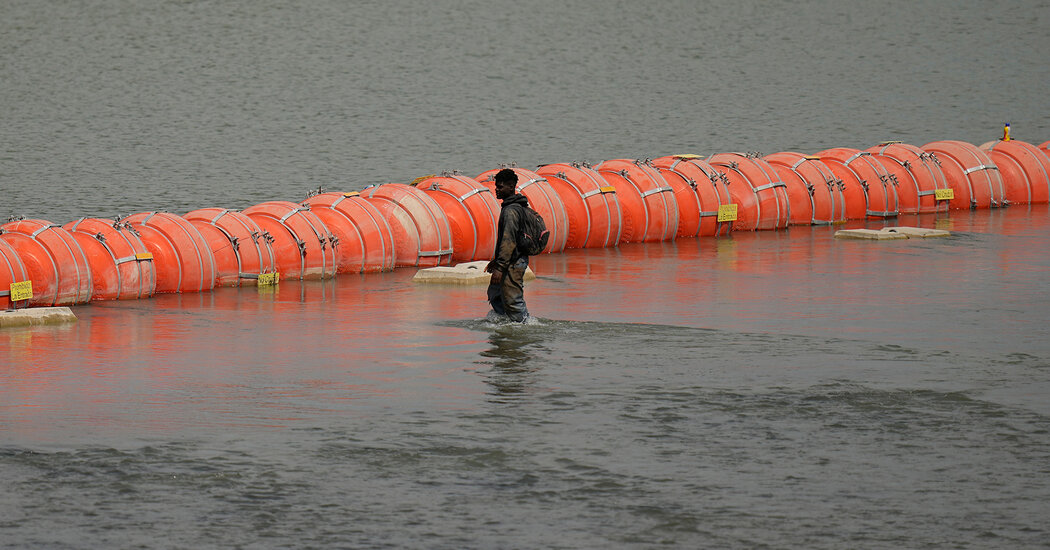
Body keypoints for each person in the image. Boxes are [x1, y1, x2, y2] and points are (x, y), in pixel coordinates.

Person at [485, 168, 531, 322]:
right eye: (496, 186)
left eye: (500, 187)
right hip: (510, 260)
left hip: (514, 261)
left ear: (511, 187)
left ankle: (523, 326)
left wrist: (500, 267)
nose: (496, 190)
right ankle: (506, 322)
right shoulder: (512, 207)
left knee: (513, 301)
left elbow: (508, 241)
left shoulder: (511, 211)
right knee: (495, 293)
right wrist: (496, 261)